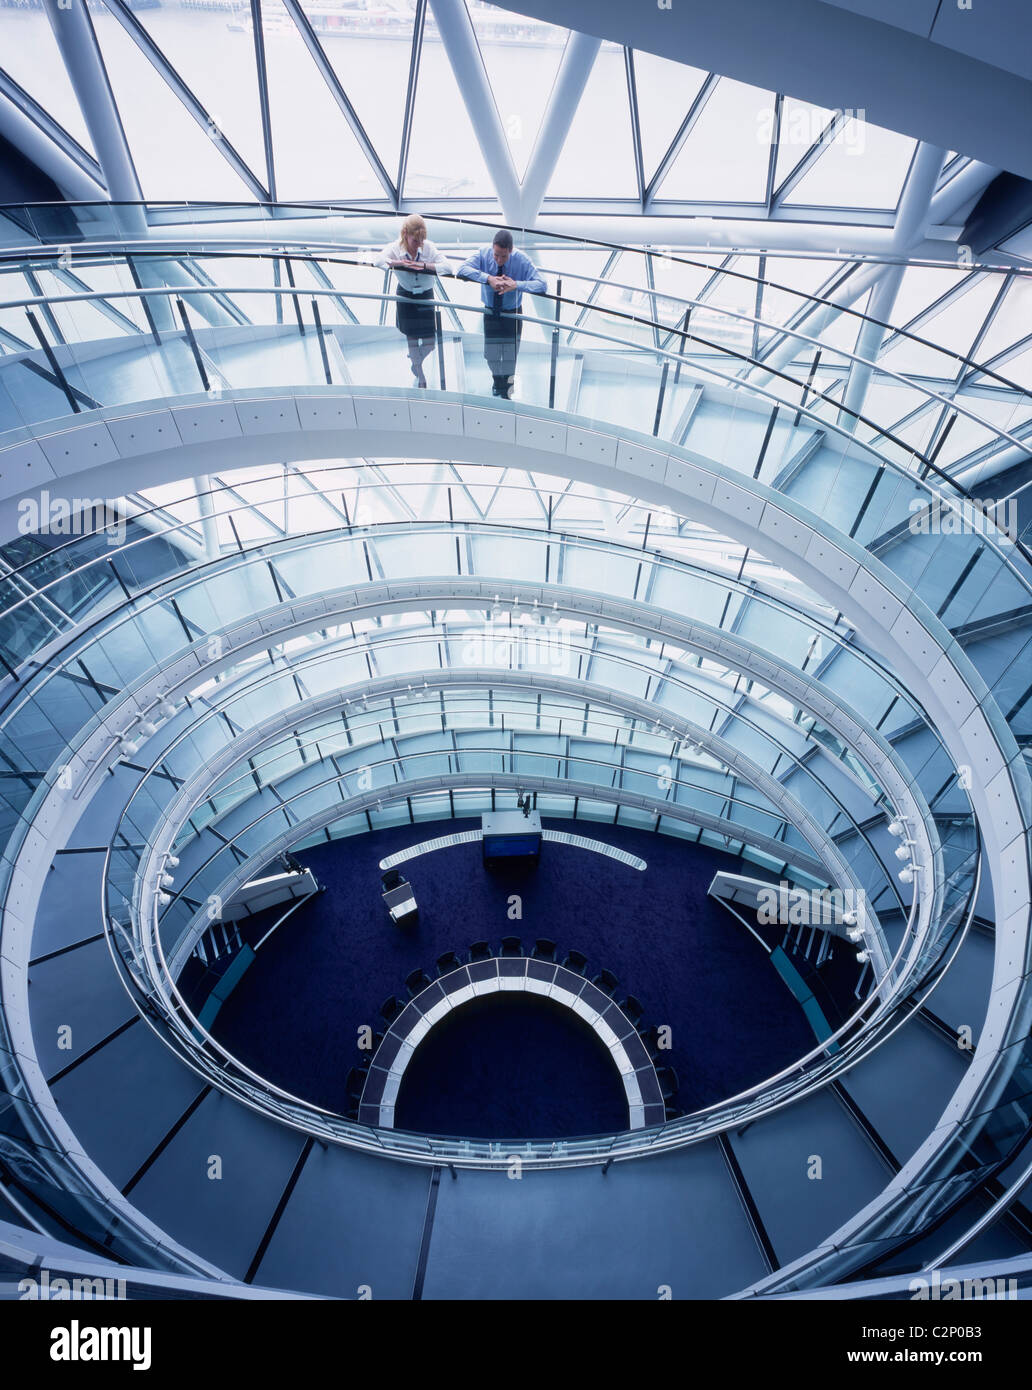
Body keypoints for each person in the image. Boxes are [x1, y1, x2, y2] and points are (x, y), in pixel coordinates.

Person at [457, 229, 546, 398]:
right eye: (496, 255)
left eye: (503, 256)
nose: (498, 260)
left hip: (513, 314)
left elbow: (542, 284)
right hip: (491, 312)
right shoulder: (484, 253)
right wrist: (487, 278)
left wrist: (517, 285)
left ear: (511, 251)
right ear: (492, 248)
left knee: (510, 357)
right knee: (490, 355)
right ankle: (498, 382)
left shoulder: (521, 260)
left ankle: (508, 390)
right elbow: (462, 270)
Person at [375, 214, 454, 388]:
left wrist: (424, 266)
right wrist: (400, 264)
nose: (419, 244)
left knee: (429, 344)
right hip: (406, 296)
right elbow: (378, 261)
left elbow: (448, 267)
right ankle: (420, 374)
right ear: (405, 234)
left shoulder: (429, 248)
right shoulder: (394, 248)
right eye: (415, 241)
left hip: (425, 295)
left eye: (421, 240)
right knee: (411, 338)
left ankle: (415, 361)